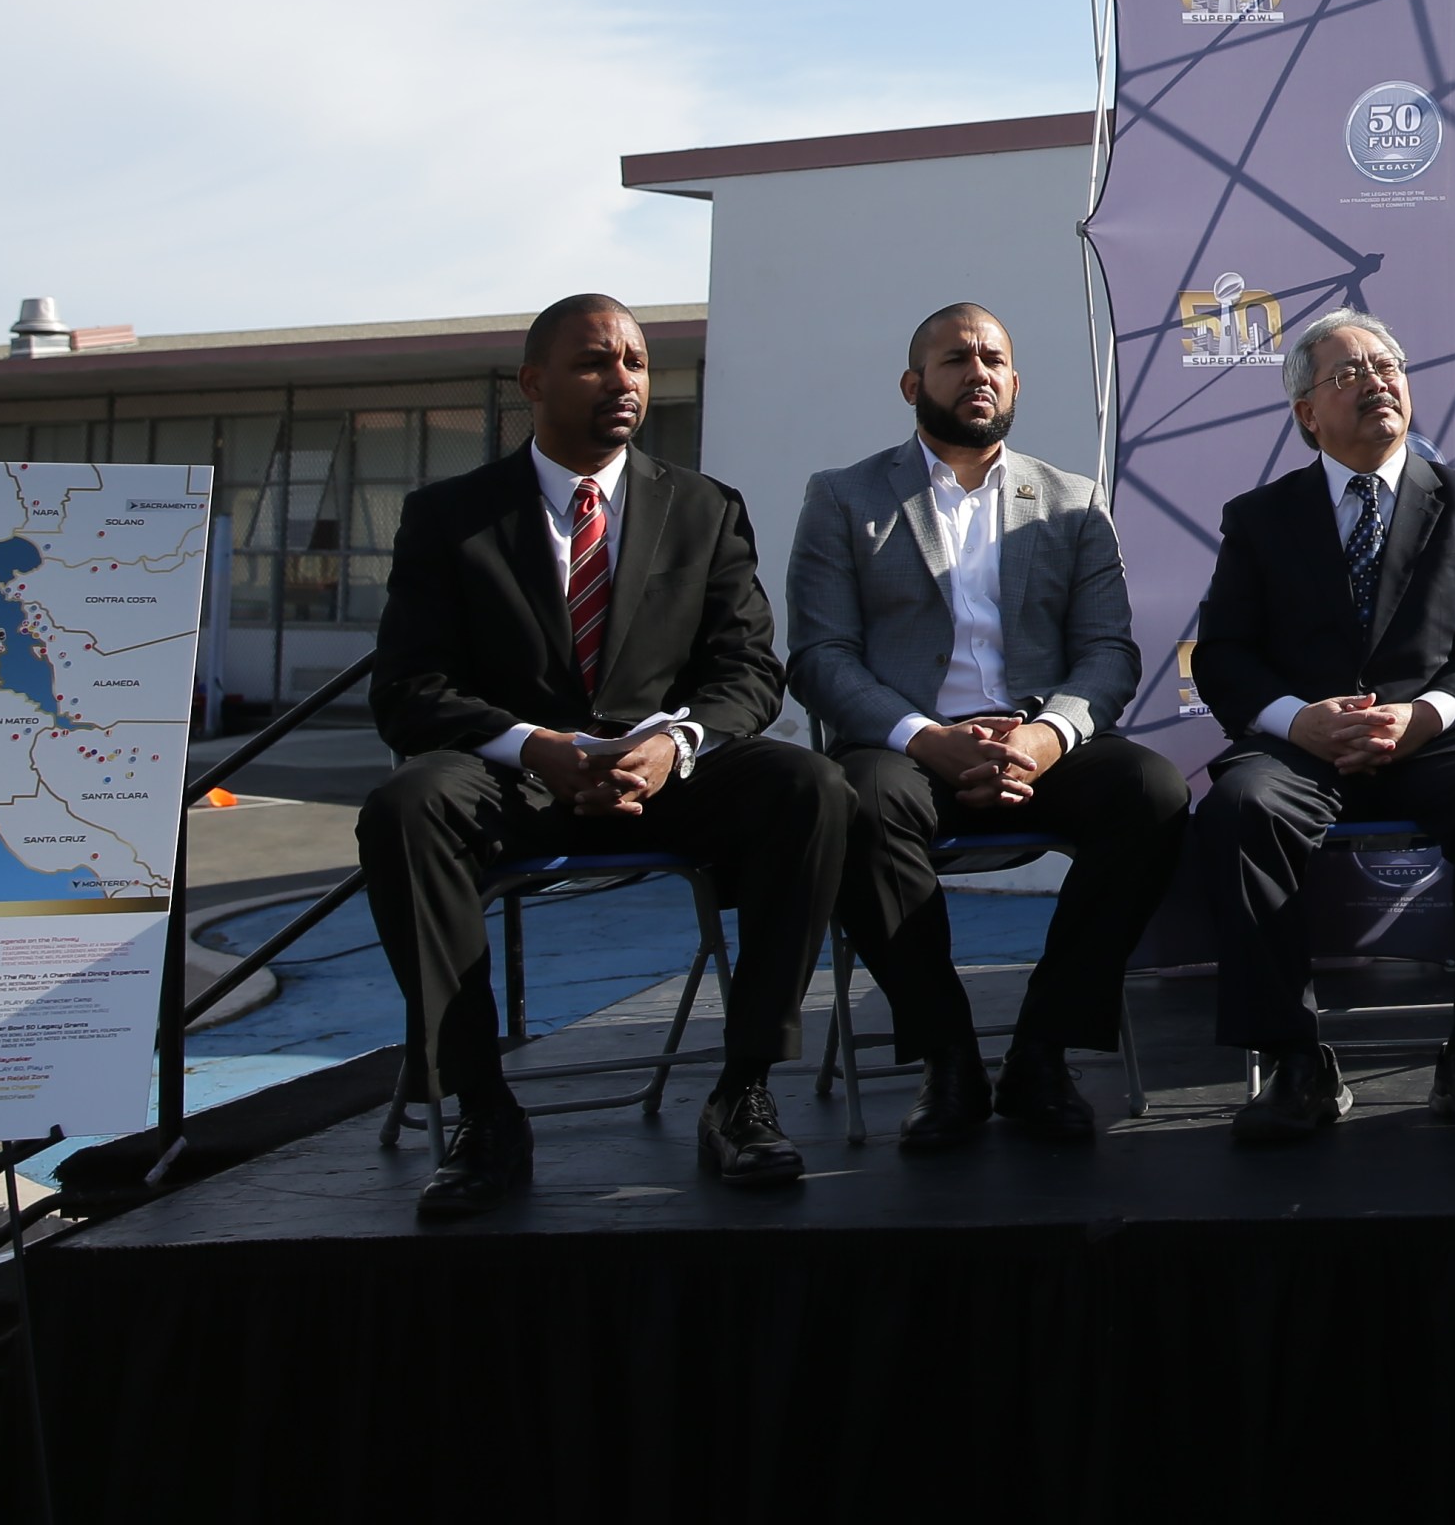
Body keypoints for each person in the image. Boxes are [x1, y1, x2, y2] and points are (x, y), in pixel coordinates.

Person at [357, 295, 852, 1217]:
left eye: (635, 362)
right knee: (405, 807)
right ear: (533, 383)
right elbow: (406, 690)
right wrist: (531, 746)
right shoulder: (447, 517)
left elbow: (748, 671)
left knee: (810, 786)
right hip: (512, 777)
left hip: (663, 776)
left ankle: (743, 1090)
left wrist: (674, 743)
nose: (622, 380)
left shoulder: (704, 508)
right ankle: (482, 1110)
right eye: (594, 362)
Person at [787, 304, 1188, 1150]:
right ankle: (947, 1059)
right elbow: (822, 657)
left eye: (995, 360)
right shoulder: (843, 497)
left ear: (1014, 380)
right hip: (907, 748)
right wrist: (924, 737)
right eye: (956, 359)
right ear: (912, 384)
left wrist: (1044, 738)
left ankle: (1044, 1051)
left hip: (1038, 743)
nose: (979, 374)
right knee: (853, 803)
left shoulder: (1072, 501)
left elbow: (1108, 654)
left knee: (1150, 791)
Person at [1187, 311, 1455, 1142]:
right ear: (1305, 412)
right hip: (1303, 744)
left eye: (1387, 366)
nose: (1377, 382)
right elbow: (1223, 658)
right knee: (1238, 810)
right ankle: (1294, 1063)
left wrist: (1424, 715)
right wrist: (1297, 720)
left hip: (1435, 739)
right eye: (1348, 374)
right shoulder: (1259, 518)